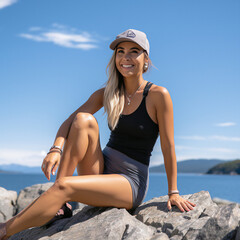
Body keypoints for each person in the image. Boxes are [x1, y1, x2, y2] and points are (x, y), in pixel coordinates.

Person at [0, 29, 196, 239]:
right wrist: (55, 149)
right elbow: (69, 121)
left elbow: (168, 146)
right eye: (120, 52)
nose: (126, 58)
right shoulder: (108, 92)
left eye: (134, 51)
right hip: (101, 167)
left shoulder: (158, 95)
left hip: (129, 181)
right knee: (83, 120)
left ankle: (5, 230)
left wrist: (173, 192)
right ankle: (61, 205)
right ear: (115, 58)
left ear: (145, 58)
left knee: (63, 186)